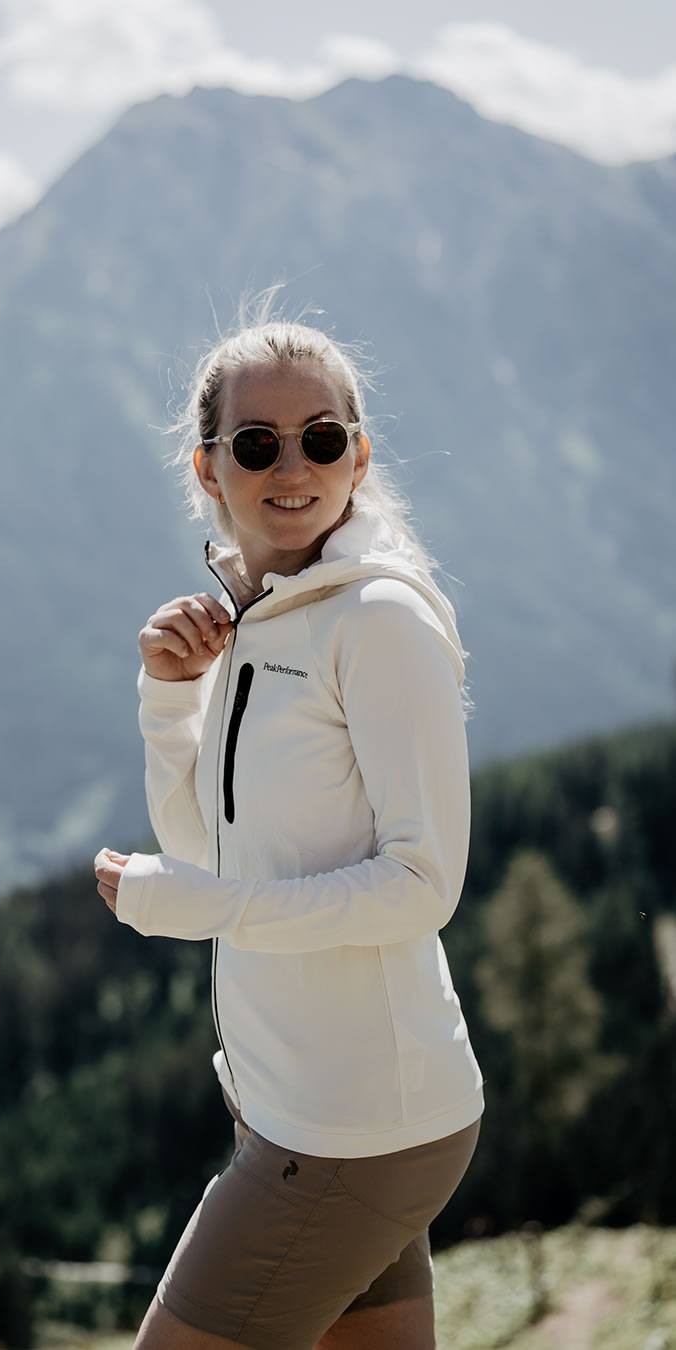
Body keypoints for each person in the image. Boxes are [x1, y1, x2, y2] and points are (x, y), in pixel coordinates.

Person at [94, 299, 486, 1350]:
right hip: (318, 1114)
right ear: (206, 468)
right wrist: (169, 697)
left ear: (357, 458)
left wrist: (203, 912)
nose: (290, 466)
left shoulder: (378, 620)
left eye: (319, 439)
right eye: (256, 444)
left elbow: (423, 883)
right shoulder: (263, 618)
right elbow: (206, 848)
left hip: (351, 1129)